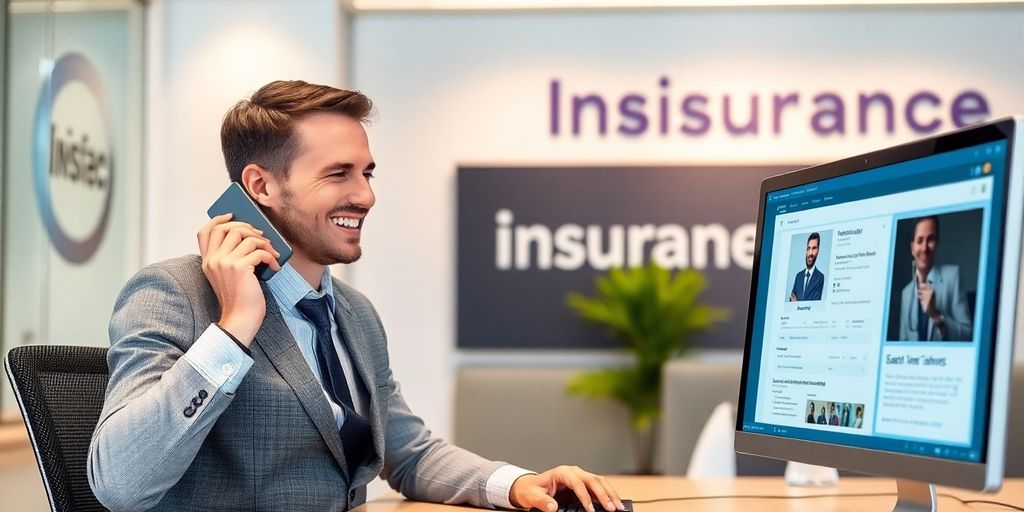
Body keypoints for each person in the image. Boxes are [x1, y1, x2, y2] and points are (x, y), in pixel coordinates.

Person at [87, 81, 625, 512]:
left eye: (366, 173)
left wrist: (517, 484)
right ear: (261, 186)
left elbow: (408, 453)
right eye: (338, 174)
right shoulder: (174, 294)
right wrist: (234, 328)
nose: (365, 195)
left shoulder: (353, 313)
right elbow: (119, 483)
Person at [898, 216, 972, 341]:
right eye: (919, 241)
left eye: (930, 239)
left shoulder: (953, 276)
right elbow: (902, 341)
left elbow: (967, 335)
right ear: (912, 248)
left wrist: (936, 314)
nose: (924, 248)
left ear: (937, 242)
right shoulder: (905, 293)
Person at [789, 232, 825, 302]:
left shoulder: (820, 277)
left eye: (814, 248)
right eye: (808, 248)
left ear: (818, 251)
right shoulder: (798, 276)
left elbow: (813, 303)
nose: (810, 253)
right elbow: (791, 300)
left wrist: (797, 302)